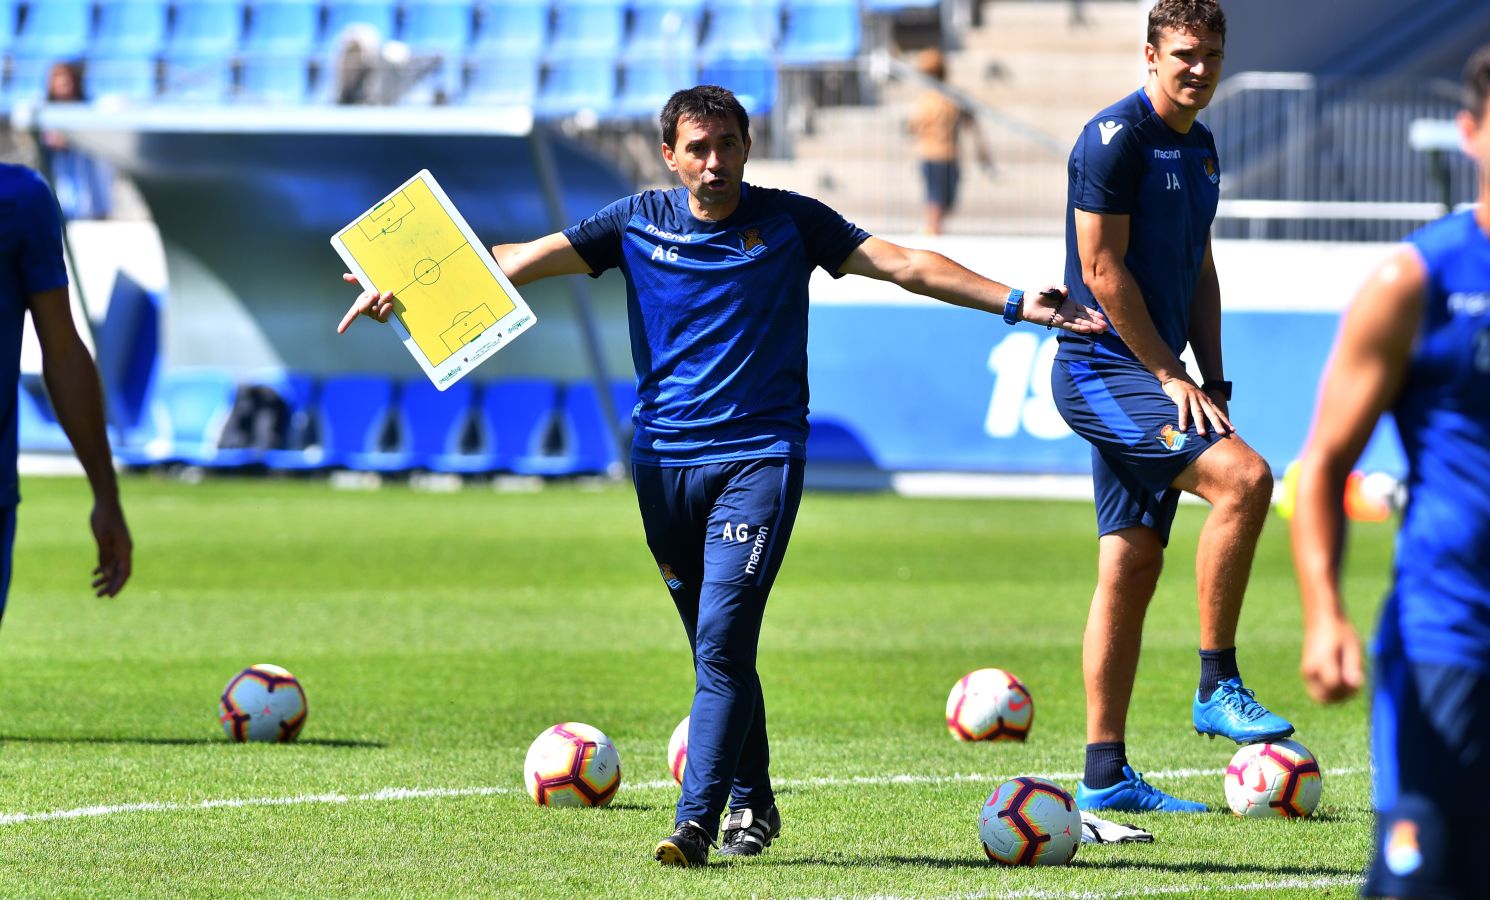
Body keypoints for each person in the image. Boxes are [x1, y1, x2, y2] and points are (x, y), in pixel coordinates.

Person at [339, 85, 1106, 866]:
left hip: (760, 458)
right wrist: (404, 293)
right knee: (717, 653)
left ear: (747, 146)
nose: (715, 163)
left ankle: (694, 824)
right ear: (670, 156)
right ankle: (755, 803)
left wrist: (1015, 302)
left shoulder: (790, 221)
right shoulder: (635, 220)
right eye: (698, 149)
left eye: (728, 146)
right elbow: (511, 265)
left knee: (724, 639)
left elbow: (904, 264)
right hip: (663, 465)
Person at [1050, 0, 1293, 815]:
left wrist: (1212, 377)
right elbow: (1102, 267)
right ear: (1150, 54)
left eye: (1213, 54)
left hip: (1155, 373)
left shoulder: (1203, 147)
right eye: (1185, 52)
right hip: (1101, 369)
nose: (1200, 67)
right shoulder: (1113, 140)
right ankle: (1216, 682)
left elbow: (1199, 269)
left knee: (1130, 562)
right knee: (1246, 480)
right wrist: (1168, 374)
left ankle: (1104, 774)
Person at [1290, 44, 1490, 900]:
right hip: (1452, 636)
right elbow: (1327, 461)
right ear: (1471, 131)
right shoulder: (1416, 282)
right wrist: (1325, 612)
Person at [1, 163, 133, 619]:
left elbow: (62, 352)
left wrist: (106, 495)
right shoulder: (21, 196)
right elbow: (62, 351)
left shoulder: (21, 199)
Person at [907, 48, 992, 236]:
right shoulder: (947, 96)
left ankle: (932, 229)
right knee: (939, 201)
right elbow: (971, 124)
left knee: (940, 200)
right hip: (940, 154)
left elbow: (913, 128)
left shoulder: (930, 99)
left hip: (938, 154)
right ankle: (932, 230)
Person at [41, 61, 114, 221]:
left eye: (67, 82)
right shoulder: (46, 110)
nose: (64, 87)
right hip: (62, 170)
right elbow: (48, 138)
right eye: (59, 82)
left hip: (86, 167)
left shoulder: (86, 108)